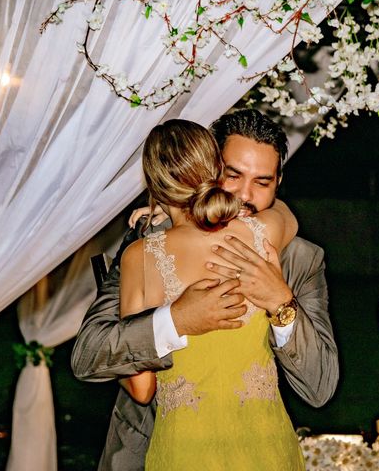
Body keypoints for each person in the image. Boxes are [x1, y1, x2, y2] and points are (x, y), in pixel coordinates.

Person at [71, 109, 338, 470]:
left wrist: (280, 302)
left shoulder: (300, 257)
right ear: (209, 168)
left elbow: (320, 387)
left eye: (262, 182)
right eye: (233, 175)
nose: (245, 196)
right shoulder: (144, 243)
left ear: (278, 183)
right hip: (153, 446)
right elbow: (89, 353)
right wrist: (174, 319)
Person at [118, 119, 304, 469]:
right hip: (267, 445)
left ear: (155, 188)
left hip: (186, 450)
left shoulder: (139, 257)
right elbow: (284, 212)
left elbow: (142, 389)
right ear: (215, 172)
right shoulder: (260, 232)